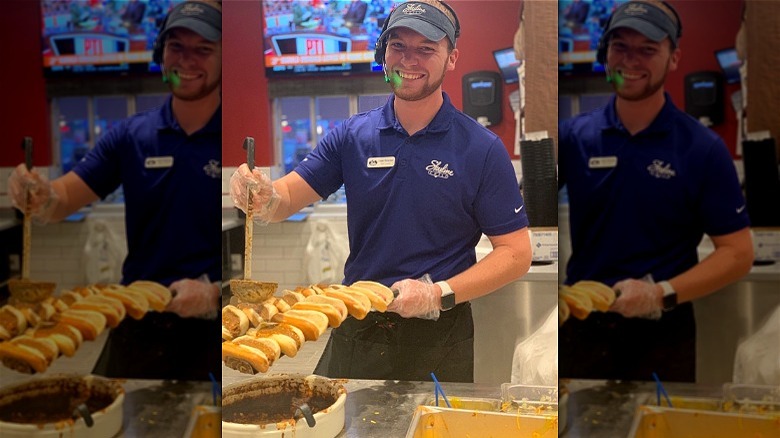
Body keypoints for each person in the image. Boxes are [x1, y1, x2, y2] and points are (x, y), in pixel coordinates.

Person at [230, 0, 531, 383]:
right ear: (383, 53)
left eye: (426, 49)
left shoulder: (482, 149)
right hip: (359, 327)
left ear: (452, 58)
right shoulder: (352, 136)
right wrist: (259, 194)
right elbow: (282, 201)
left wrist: (437, 294)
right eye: (398, 46)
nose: (409, 61)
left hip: (440, 335)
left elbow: (516, 253)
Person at [6, 0, 223, 380]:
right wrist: (38, 193)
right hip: (138, 321)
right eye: (176, 47)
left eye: (203, 50)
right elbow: (61, 200)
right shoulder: (129, 136)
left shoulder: (229, 135)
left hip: (213, 331)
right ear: (161, 54)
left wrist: (213, 296)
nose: (186, 62)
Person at [558, 0, 754, 382]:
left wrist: (658, 293)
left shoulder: (702, 148)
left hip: (663, 333)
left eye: (647, 49)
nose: (630, 61)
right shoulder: (573, 137)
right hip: (584, 327)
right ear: (605, 53)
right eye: (621, 47)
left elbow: (738, 253)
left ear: (674, 57)